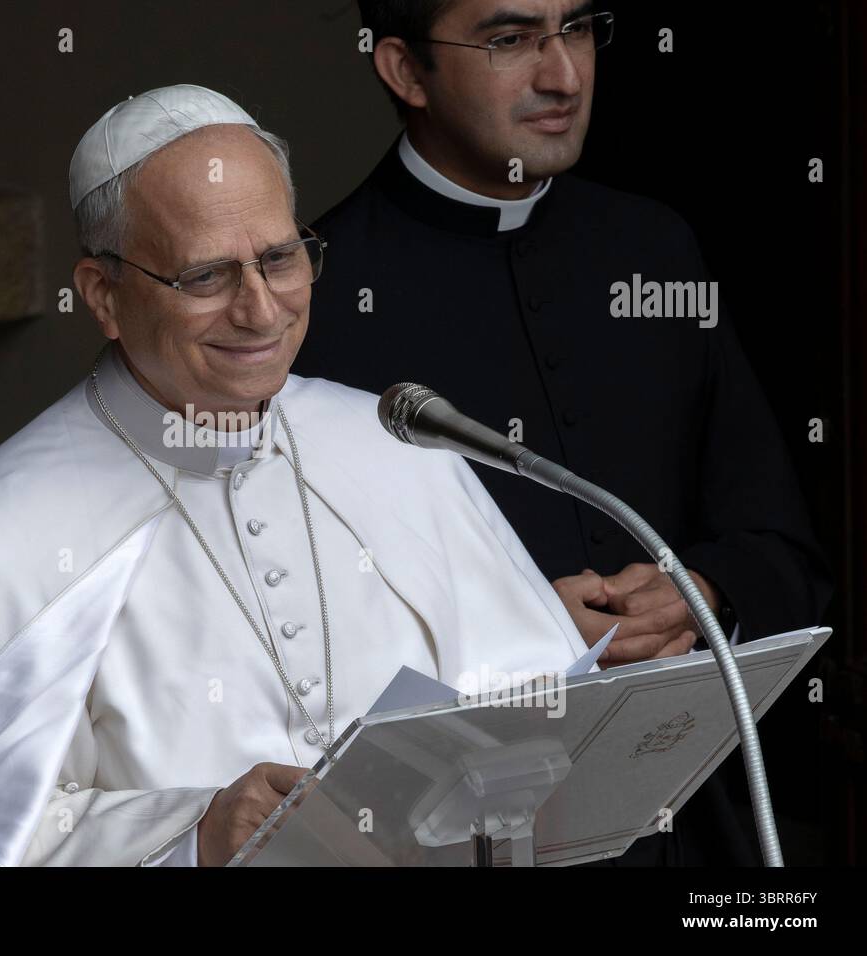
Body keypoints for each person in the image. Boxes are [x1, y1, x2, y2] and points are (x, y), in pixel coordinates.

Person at [0, 83, 594, 868]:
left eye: (279, 259)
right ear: (103, 296)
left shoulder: (396, 445)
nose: (260, 309)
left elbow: (548, 730)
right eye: (206, 277)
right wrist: (192, 835)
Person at [293, 0, 832, 864]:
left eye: (577, 29)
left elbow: (782, 546)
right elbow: (295, 651)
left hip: (694, 829)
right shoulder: (307, 304)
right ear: (403, 70)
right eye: (510, 40)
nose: (564, 76)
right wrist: (523, 636)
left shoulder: (654, 248)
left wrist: (704, 589)